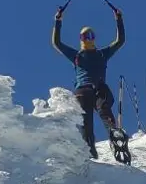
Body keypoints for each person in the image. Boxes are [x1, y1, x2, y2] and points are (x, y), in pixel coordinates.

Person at [52, 8, 126, 159]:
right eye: (85, 36)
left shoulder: (100, 54)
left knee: (102, 109)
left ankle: (113, 133)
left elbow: (120, 41)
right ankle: (92, 148)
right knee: (89, 121)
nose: (88, 39)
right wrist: (58, 21)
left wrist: (119, 20)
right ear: (81, 39)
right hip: (84, 91)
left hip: (95, 89)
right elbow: (57, 43)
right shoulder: (78, 55)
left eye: (91, 36)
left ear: (94, 38)